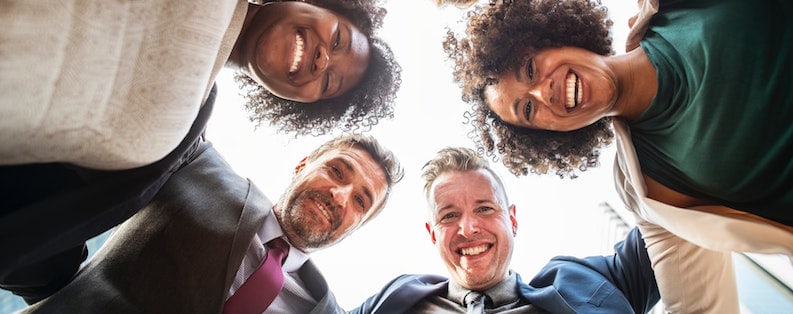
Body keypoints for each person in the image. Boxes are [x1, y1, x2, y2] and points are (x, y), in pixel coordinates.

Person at [0, 0, 401, 302]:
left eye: (329, 82)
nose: (322, 59)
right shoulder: (191, 157)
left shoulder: (184, 122)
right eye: (338, 38)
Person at [442, 0, 793, 312]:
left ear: (554, 35)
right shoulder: (653, 187)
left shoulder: (672, 9)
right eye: (529, 109)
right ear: (549, 134)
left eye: (531, 69)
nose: (541, 91)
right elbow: (700, 307)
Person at [16, 133, 403, 312]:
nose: (340, 196)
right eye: (337, 171)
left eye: (360, 201)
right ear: (302, 164)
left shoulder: (324, 309)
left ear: (359, 225)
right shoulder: (199, 165)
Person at [351, 147, 659, 313]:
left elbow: (668, 210)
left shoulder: (594, 283)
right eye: (449, 215)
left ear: (512, 220)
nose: (468, 228)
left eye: (484, 209)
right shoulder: (392, 302)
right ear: (433, 234)